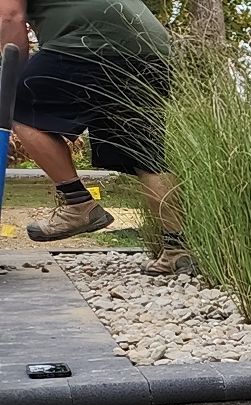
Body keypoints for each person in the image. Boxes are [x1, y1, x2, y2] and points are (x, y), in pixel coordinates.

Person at [0, 0, 187, 273]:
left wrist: (11, 84)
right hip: (151, 48)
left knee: (17, 105)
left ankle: (78, 204)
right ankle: (178, 249)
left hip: (88, 42)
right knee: (147, 155)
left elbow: (10, 17)